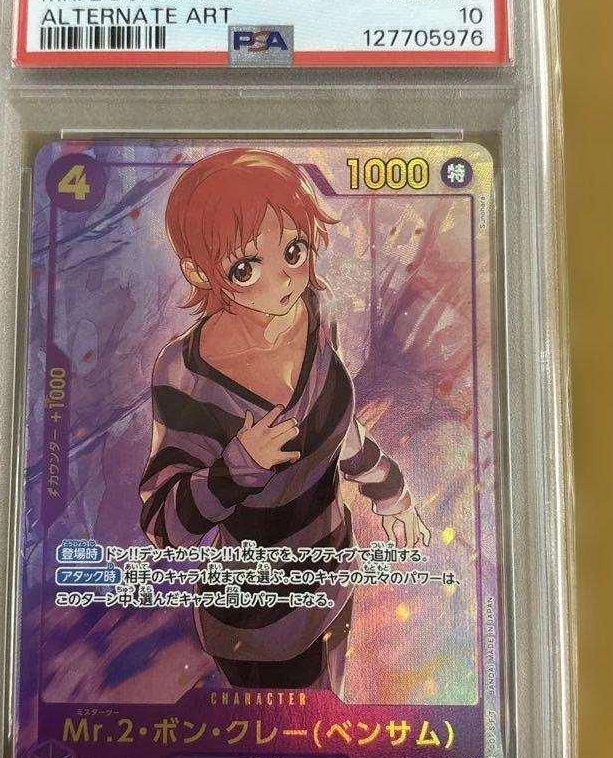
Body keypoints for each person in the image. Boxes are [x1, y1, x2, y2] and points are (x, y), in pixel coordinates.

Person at [140, 148, 429, 701]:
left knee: (327, 729)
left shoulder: (317, 312)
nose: (285, 281)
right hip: (258, 622)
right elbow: (164, 524)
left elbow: (336, 430)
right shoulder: (187, 374)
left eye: (294, 251)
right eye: (246, 268)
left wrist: (392, 493)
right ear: (199, 272)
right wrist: (237, 468)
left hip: (332, 577)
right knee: (288, 751)